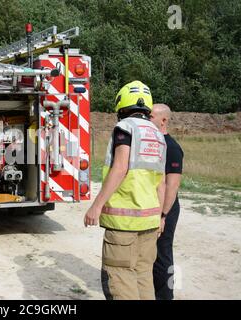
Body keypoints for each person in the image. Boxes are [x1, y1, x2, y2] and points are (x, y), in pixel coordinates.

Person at [84, 80, 167, 300]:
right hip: (150, 222)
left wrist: (96, 206)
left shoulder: (126, 128)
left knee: (120, 278)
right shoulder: (158, 135)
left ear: (121, 105)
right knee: (143, 276)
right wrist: (160, 216)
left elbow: (120, 168)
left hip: (124, 224)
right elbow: (161, 181)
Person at [150, 104, 184, 300]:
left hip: (166, 209)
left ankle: (165, 296)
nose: (147, 119)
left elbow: (172, 185)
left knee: (163, 254)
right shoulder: (153, 144)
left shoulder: (171, 148)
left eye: (151, 116)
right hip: (153, 207)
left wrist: (162, 215)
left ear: (163, 120)